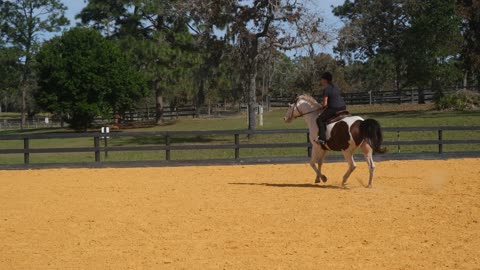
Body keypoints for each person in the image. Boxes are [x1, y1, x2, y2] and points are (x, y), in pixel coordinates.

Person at [315, 72, 347, 145]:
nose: (321, 81)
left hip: (334, 108)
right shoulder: (336, 87)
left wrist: (321, 107)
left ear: (325, 80)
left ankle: (322, 138)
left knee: (319, 119)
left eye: (322, 79)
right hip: (343, 107)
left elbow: (325, 104)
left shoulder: (327, 89)